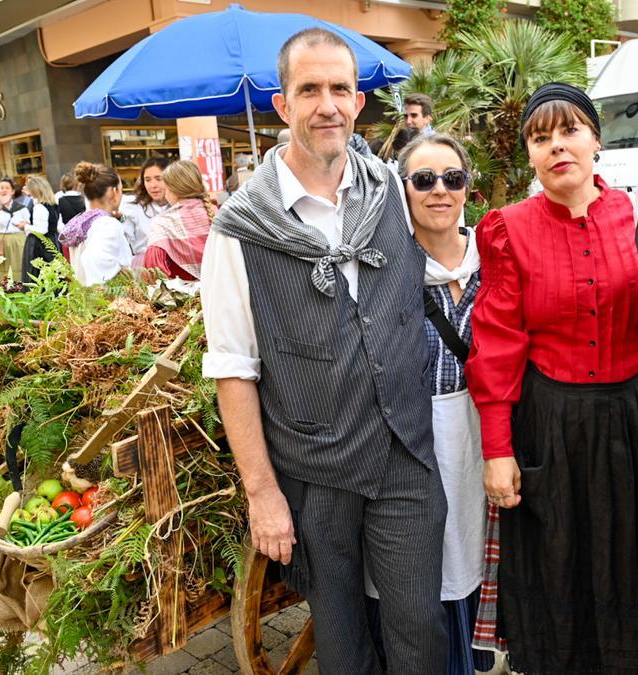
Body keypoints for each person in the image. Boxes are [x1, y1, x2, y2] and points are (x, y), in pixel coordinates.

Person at [201, 27, 447, 674]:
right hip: (314, 471)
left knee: (420, 631)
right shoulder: (238, 229)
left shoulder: (391, 190)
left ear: (359, 102)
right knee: (341, 646)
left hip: (404, 452)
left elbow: (445, 258)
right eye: (309, 90)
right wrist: (262, 493)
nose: (328, 105)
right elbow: (233, 369)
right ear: (283, 105)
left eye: (340, 88)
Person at [465, 82, 638, 674]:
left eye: (570, 131)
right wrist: (497, 451)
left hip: (637, 421)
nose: (557, 147)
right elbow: (496, 346)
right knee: (558, 570)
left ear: (596, 139)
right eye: (540, 138)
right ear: (529, 154)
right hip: (550, 427)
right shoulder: (508, 229)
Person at [370, 133, 493, 675]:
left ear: (467, 187)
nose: (439, 190)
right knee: (429, 562)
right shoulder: (384, 269)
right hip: (416, 440)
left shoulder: (496, 259)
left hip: (483, 437)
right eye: (424, 180)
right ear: (404, 190)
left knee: (473, 550)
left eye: (452, 177)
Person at [59, 162, 131, 286]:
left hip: (83, 294)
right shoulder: (107, 225)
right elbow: (93, 258)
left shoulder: (82, 221)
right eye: (120, 189)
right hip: (107, 296)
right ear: (113, 191)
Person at [142, 160, 212, 280]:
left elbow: (155, 275)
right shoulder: (216, 213)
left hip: (181, 291)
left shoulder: (162, 223)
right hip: (221, 289)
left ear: (171, 190)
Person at [119, 156, 171, 262]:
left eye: (158, 179)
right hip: (143, 264)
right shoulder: (133, 206)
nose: (153, 185)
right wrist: (120, 219)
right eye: (147, 180)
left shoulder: (180, 206)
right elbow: (123, 237)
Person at [0, 177, 30, 281]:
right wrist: (0, 206)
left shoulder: (21, 207)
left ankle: (22, 287)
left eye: (7, 188)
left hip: (19, 240)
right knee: (5, 269)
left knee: (20, 266)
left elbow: (28, 223)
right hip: (2, 242)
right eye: (1, 188)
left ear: (12, 191)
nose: (4, 190)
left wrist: (25, 224)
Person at [21, 176, 59, 285]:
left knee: (37, 276)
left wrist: (26, 226)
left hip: (40, 245)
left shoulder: (39, 207)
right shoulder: (53, 204)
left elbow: (41, 230)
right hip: (52, 241)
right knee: (53, 275)